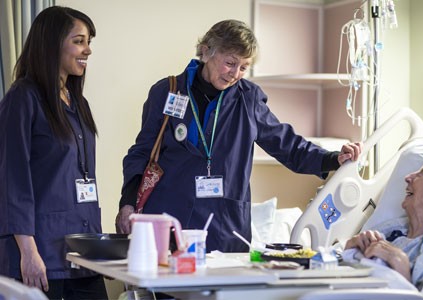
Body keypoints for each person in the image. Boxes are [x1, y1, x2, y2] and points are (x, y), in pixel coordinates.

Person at [115, 19, 362, 252]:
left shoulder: (248, 98)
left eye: (244, 67)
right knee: (166, 293)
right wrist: (127, 203)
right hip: (168, 217)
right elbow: (142, 151)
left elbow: (286, 144)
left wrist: (332, 159)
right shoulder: (166, 91)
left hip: (222, 225)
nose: (235, 73)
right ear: (206, 51)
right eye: (230, 63)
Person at [0, 6, 108, 300]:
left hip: (83, 252)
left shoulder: (76, 101)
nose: (88, 50)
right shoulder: (23, 98)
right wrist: (28, 251)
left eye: (89, 42)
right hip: (42, 255)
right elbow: (13, 180)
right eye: (79, 41)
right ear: (52, 44)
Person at [344, 146, 423, 289]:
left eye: (421, 174)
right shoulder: (396, 227)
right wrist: (350, 246)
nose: (408, 177)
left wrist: (401, 268)